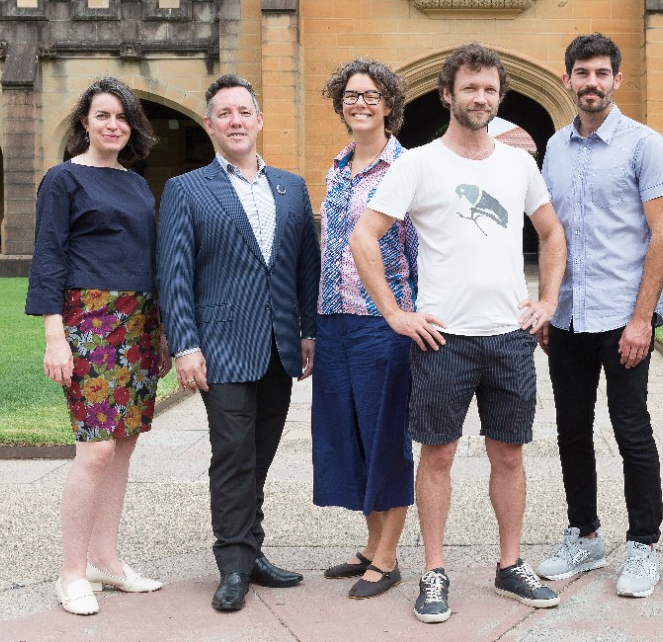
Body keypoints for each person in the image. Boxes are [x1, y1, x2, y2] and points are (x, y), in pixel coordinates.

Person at [350, 43, 567, 625]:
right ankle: (435, 569)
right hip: (442, 338)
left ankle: (509, 564)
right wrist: (397, 313)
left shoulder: (519, 164)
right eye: (470, 88)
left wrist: (546, 300)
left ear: (500, 95)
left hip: (507, 337)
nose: (481, 98)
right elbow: (363, 236)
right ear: (448, 94)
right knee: (438, 455)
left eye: (490, 89)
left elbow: (551, 233)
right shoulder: (417, 163)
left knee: (509, 455)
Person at [156, 73, 319, 613]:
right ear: (210, 125)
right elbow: (174, 274)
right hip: (220, 348)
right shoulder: (186, 189)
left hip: (278, 347)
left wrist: (308, 331)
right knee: (232, 456)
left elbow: (305, 268)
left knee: (260, 456)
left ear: (259, 119)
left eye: (243, 111)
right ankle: (231, 565)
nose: (235, 121)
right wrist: (184, 344)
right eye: (223, 113)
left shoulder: (292, 187)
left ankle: (252, 552)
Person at [535, 33, 663, 598]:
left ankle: (643, 543)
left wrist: (643, 319)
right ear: (567, 78)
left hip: (623, 315)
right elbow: (552, 237)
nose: (590, 83)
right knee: (571, 430)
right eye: (581, 73)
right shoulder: (554, 148)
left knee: (631, 431)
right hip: (568, 316)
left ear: (616, 79)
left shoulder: (645, 145)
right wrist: (548, 303)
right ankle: (585, 535)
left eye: (601, 73)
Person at [25, 77, 168, 617]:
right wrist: (53, 334)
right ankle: (71, 573)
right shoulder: (63, 179)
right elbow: (48, 258)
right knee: (97, 449)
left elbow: (151, 259)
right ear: (84, 121)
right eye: (102, 115)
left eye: (122, 117)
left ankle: (107, 559)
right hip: (88, 320)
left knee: (125, 445)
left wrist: (164, 330)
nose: (113, 124)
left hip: (139, 321)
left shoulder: (135, 183)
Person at [313, 58, 418, 600]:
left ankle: (389, 556)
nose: (360, 103)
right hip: (335, 319)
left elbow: (420, 251)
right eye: (351, 95)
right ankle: (372, 544)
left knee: (385, 438)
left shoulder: (407, 166)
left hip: (384, 323)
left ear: (389, 104)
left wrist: (410, 312)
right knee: (349, 435)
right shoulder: (337, 166)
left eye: (371, 95)